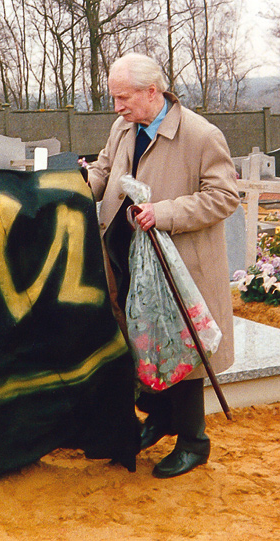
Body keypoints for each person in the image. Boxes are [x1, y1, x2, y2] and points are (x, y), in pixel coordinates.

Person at [85, 53, 240, 478]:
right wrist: (73, 185)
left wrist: (165, 212)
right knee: (141, 342)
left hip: (178, 268)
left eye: (123, 97)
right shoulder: (123, 127)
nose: (116, 106)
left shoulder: (201, 135)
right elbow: (103, 172)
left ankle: (194, 442)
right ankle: (160, 417)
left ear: (152, 92)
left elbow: (224, 196)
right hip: (126, 259)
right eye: (114, 97)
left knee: (181, 348)